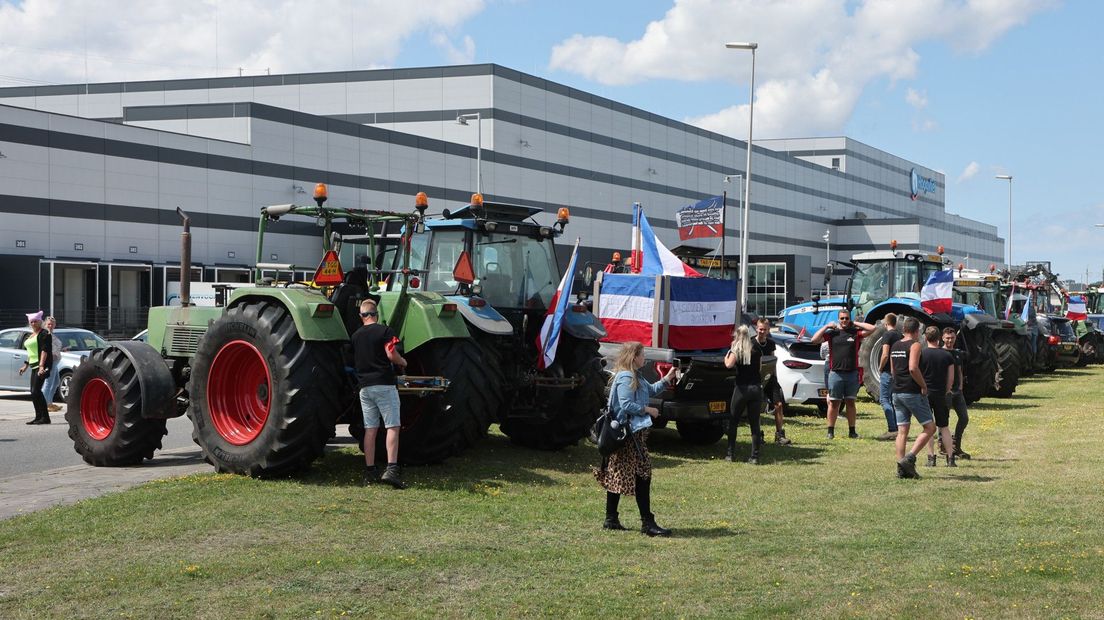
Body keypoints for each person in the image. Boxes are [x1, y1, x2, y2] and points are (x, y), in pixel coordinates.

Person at [595, 341, 677, 536]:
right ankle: (647, 523)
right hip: (629, 435)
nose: (645, 358)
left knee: (618, 473)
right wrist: (648, 409)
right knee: (643, 476)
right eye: (642, 355)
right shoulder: (625, 377)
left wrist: (667, 378)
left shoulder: (636, 376)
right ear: (634, 357)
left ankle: (611, 518)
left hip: (633, 434)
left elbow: (651, 390)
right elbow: (625, 404)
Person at [351, 299, 408, 489]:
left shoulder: (356, 336)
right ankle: (391, 469)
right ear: (376, 314)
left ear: (362, 316)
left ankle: (370, 470)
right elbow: (391, 354)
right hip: (384, 384)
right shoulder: (385, 331)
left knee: (370, 429)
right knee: (393, 426)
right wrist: (403, 362)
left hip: (365, 388)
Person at [811, 311, 876, 439]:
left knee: (850, 402)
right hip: (835, 374)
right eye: (842, 318)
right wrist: (826, 327)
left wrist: (855, 323)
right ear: (838, 319)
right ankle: (830, 431)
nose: (844, 320)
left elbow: (873, 328)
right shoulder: (832, 334)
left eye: (846, 318)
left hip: (852, 374)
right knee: (834, 403)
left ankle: (852, 431)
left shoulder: (855, 333)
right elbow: (814, 340)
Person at [889, 317, 936, 479]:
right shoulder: (915, 345)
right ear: (917, 331)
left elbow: (893, 370)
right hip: (912, 392)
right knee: (930, 428)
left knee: (902, 432)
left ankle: (901, 469)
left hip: (896, 392)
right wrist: (923, 385)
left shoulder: (895, 345)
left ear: (904, 330)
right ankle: (910, 458)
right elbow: (913, 368)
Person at [724, 325, 765, 463]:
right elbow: (759, 368)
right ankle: (755, 456)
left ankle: (730, 454)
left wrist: (728, 353)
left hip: (742, 388)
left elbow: (729, 365)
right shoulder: (757, 349)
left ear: (737, 336)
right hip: (756, 388)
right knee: (754, 424)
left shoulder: (737, 349)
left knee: (734, 421)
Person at [919, 326, 956, 467]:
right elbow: (951, 379)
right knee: (944, 427)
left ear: (926, 338)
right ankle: (951, 459)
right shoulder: (947, 355)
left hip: (926, 393)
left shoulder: (922, 354)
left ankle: (931, 458)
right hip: (941, 393)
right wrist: (946, 391)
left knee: (928, 427)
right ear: (939, 337)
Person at [752, 318, 791, 446]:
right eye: (760, 329)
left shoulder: (771, 344)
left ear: (768, 330)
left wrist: (775, 378)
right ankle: (758, 435)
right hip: (756, 379)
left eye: (765, 329)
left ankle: (779, 435)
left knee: (778, 405)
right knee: (758, 407)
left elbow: (773, 362)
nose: (762, 331)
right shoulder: (751, 343)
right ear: (756, 329)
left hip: (770, 378)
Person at [18, 311, 54, 425]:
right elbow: (31, 352)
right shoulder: (31, 335)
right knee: (33, 392)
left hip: (41, 366)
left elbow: (44, 351)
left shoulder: (44, 334)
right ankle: (38, 417)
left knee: (36, 390)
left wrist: (42, 366)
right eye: (31, 321)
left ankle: (45, 418)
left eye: (35, 321)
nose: (33, 323)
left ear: (40, 322)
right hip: (34, 365)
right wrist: (25, 365)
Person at [941, 328, 971, 460]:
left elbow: (959, 370)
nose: (950, 340)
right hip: (944, 392)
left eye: (952, 338)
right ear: (942, 338)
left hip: (957, 392)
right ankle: (942, 446)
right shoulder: (940, 353)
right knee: (943, 420)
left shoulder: (957, 354)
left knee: (964, 418)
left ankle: (955, 445)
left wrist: (960, 386)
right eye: (947, 338)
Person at [875, 313, 901, 441]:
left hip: (887, 372)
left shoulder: (887, 335)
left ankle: (892, 429)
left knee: (884, 400)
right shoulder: (899, 335)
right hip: (897, 372)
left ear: (886, 323)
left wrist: (880, 367)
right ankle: (898, 428)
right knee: (893, 400)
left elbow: (885, 354)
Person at [41, 316, 64, 412]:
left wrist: (62, 350)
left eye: (52, 324)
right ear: (45, 324)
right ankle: (43, 405)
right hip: (50, 362)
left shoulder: (51, 334)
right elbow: (44, 349)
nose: (50, 326)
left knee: (56, 383)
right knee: (48, 383)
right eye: (49, 324)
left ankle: (49, 403)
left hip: (55, 361)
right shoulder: (45, 334)